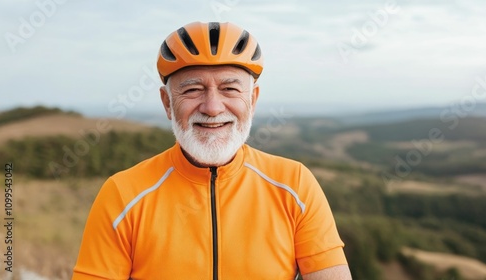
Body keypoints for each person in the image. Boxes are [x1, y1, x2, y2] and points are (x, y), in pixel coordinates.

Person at [73, 21, 352, 280]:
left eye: (230, 88)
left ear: (252, 100)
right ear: (167, 103)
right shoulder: (122, 195)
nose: (213, 108)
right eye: (193, 90)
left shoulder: (295, 185)